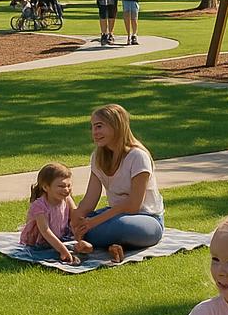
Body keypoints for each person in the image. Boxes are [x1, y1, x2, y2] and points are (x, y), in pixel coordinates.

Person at [70, 103, 164, 264]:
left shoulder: (137, 156)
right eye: (92, 127)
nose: (95, 132)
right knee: (86, 223)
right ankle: (113, 246)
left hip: (146, 219)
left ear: (116, 126)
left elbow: (134, 205)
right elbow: (89, 200)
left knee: (115, 226)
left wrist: (93, 223)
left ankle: (100, 240)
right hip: (114, 215)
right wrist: (77, 220)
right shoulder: (98, 157)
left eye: (99, 126)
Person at [20, 162, 92, 265]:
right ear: (46, 187)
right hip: (39, 243)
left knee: (86, 247)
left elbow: (76, 217)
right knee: (49, 253)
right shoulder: (40, 206)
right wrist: (62, 250)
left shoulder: (66, 199)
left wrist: (79, 236)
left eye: (68, 185)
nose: (66, 190)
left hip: (61, 236)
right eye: (61, 186)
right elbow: (45, 231)